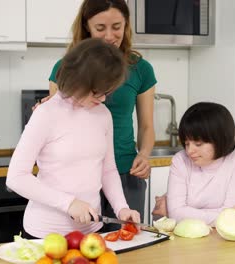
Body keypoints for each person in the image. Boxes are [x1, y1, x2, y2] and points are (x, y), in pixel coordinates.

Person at [6, 38, 140, 239]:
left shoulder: (103, 115)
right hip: (45, 235)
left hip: (91, 232)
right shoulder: (46, 114)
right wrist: (68, 203)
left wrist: (122, 209)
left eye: (108, 92)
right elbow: (16, 178)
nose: (103, 98)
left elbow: (108, 169)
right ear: (78, 80)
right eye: (97, 91)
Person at [42, 0, 156, 229]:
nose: (110, 36)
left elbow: (146, 125)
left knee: (127, 247)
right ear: (86, 28)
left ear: (126, 25)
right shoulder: (63, 68)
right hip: (78, 177)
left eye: (117, 26)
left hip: (125, 172)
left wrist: (144, 154)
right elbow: (55, 120)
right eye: (100, 28)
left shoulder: (141, 69)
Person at [152, 102, 235, 226]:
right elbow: (176, 214)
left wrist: (185, 213)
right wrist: (224, 216)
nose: (189, 151)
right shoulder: (180, 160)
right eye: (187, 143)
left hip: (224, 237)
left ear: (220, 139)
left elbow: (231, 216)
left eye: (198, 144)